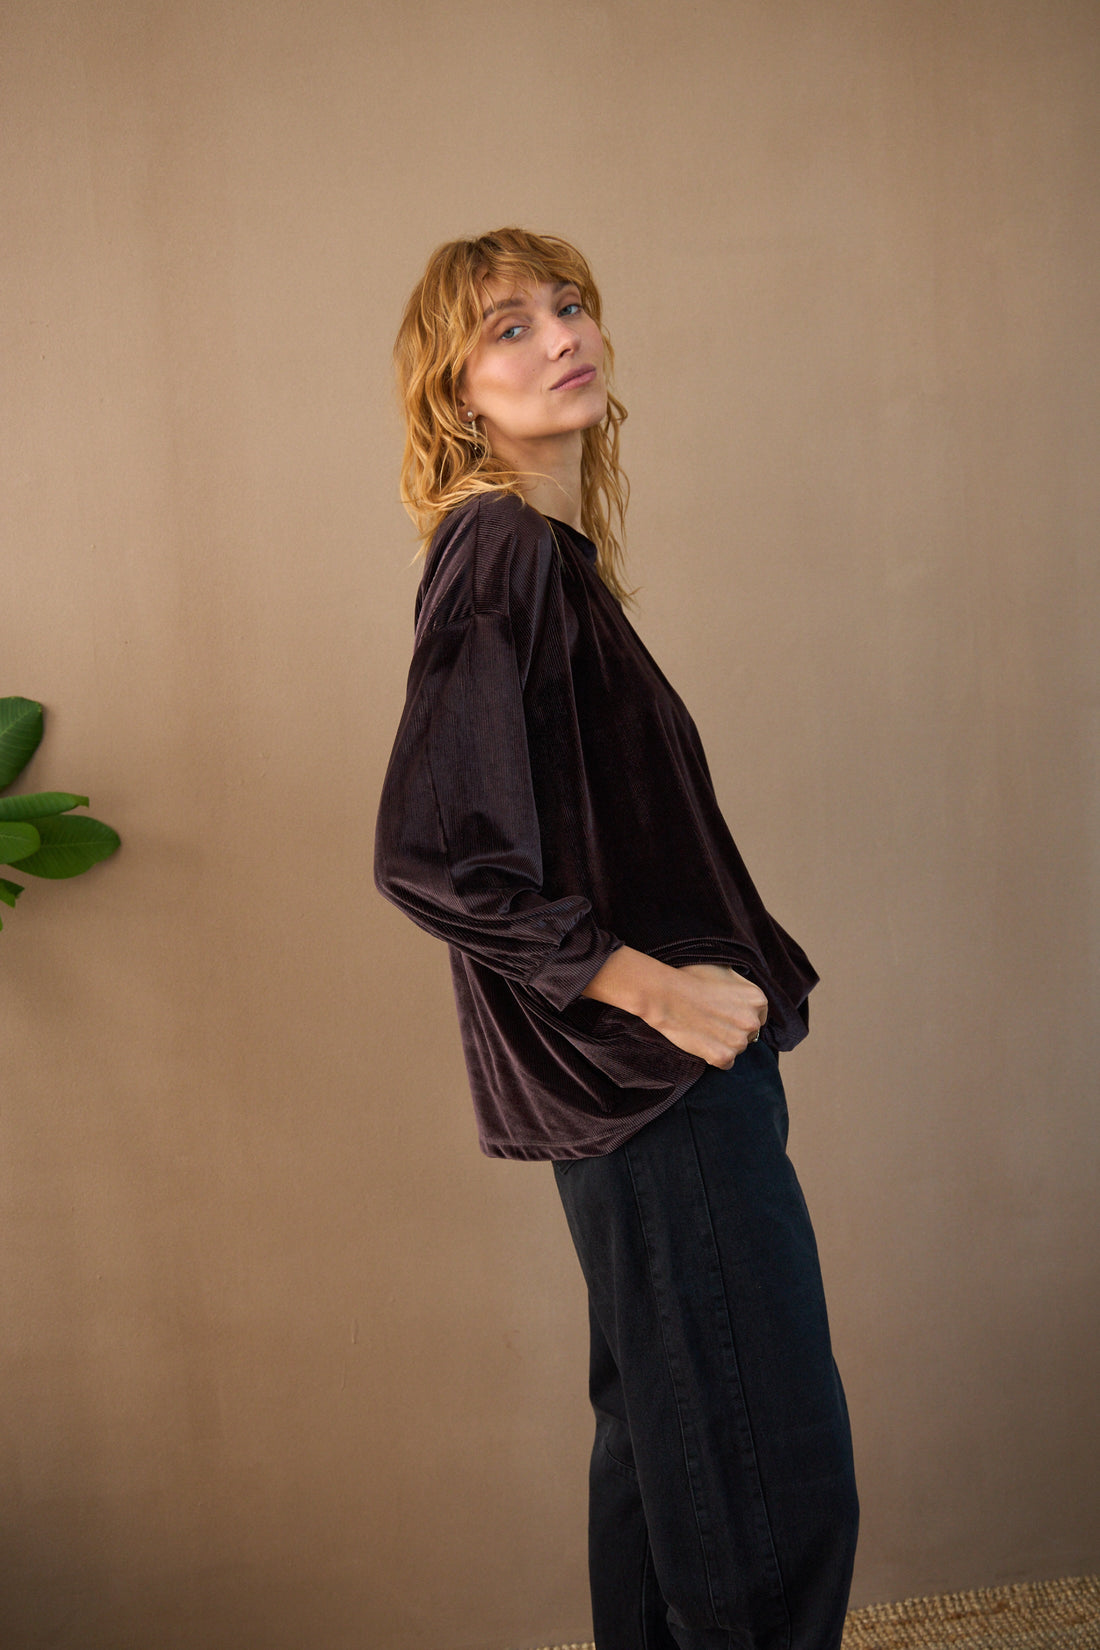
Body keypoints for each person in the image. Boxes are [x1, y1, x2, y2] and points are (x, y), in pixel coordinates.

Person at [375, 227, 858, 1650]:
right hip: (652, 1086)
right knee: (763, 1474)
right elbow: (433, 850)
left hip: (630, 1096)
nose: (557, 334)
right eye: (507, 326)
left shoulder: (540, 562)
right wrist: (652, 989)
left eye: (568, 305)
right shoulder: (500, 550)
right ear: (458, 392)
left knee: (668, 1459)